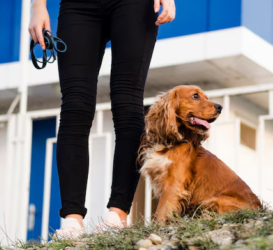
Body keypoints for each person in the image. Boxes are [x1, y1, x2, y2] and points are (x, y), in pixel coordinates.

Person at [29, 0, 176, 237]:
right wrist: (38, 7)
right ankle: (71, 220)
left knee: (127, 102)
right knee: (75, 105)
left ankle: (117, 214)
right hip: (78, 7)